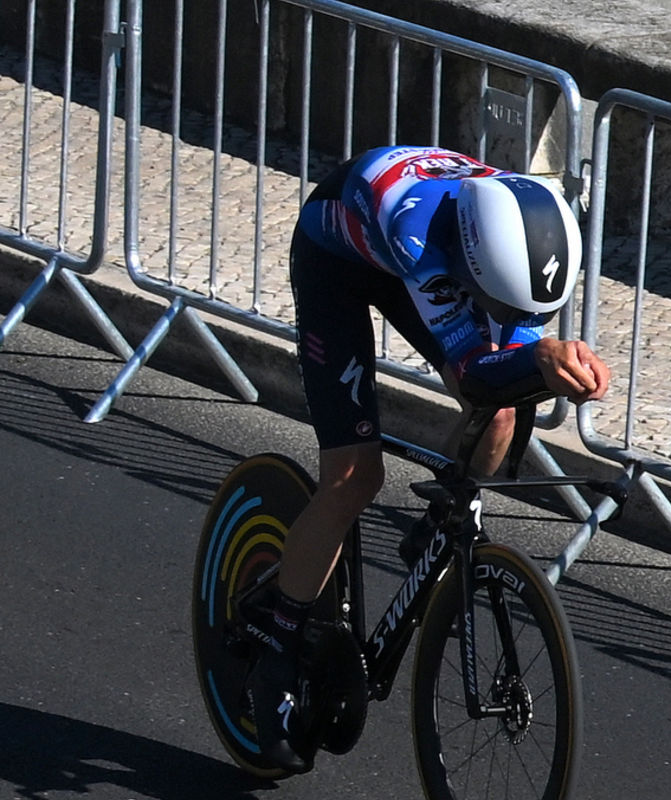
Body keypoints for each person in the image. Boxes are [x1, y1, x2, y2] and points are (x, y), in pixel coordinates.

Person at [245, 145, 610, 773]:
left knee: (503, 412)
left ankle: (441, 526)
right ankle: (278, 634)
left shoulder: (529, 224)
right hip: (339, 260)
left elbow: (510, 346)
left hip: (444, 257)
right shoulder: (414, 229)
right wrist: (538, 357)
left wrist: (544, 356)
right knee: (355, 477)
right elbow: (472, 373)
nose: (517, 319)